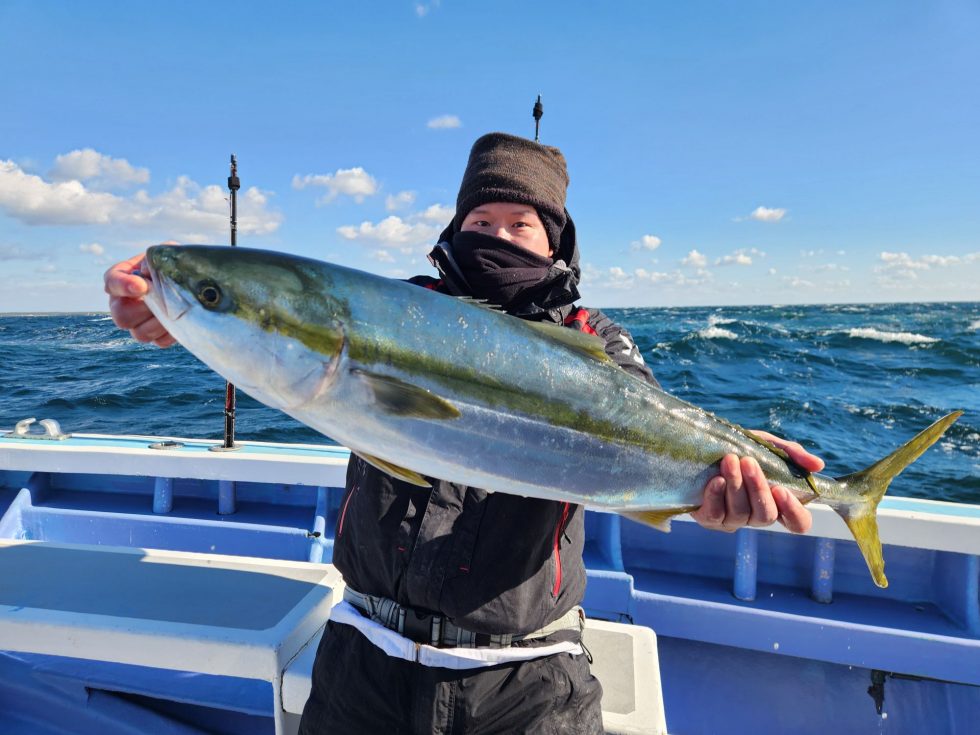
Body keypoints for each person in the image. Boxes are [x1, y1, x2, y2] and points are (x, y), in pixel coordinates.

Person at [105, 132, 821, 734]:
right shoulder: (401, 310)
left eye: (521, 224)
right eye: (480, 222)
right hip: (366, 659)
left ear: (556, 240)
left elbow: (653, 429)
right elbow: (264, 345)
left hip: (529, 682)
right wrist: (170, 311)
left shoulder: (596, 343)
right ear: (454, 230)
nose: (498, 237)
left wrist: (731, 471)